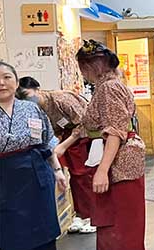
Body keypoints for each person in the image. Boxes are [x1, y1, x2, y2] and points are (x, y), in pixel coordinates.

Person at [67, 40, 147, 250]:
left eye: (83, 67)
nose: (83, 73)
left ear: (92, 66)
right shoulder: (109, 86)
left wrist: (102, 170)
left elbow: (115, 130)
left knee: (118, 229)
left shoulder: (110, 88)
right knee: (114, 228)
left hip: (119, 167)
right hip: (118, 164)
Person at [0, 62, 67, 250]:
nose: (2, 83)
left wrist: (57, 170)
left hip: (36, 173)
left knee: (42, 230)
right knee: (10, 233)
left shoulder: (31, 109)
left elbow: (48, 141)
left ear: (16, 82)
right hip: (3, 177)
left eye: (7, 77)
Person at [18, 77, 96, 234]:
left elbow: (85, 122)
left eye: (27, 94)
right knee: (71, 176)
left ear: (37, 89)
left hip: (83, 135)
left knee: (83, 175)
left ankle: (93, 217)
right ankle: (80, 214)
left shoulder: (61, 99)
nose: (26, 100)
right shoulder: (34, 109)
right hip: (65, 138)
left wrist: (64, 144)